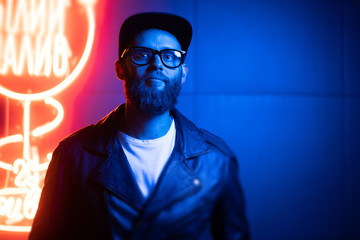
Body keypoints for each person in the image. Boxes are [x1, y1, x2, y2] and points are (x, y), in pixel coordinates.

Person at [29, 12, 250, 240]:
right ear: (120, 68)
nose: (156, 64)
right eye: (142, 54)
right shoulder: (72, 156)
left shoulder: (215, 160)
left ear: (183, 73)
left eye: (171, 56)